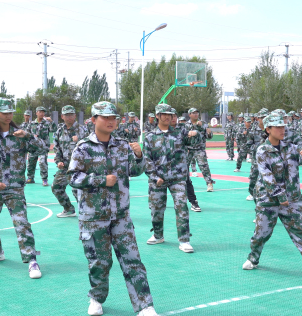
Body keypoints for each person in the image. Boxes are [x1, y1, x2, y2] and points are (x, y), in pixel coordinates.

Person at [68, 101, 157, 316]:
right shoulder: (83, 147)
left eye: (113, 117)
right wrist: (100, 180)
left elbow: (136, 171)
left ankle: (145, 305)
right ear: (93, 120)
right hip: (93, 216)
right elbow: (73, 177)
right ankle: (96, 299)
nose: (110, 121)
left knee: (132, 260)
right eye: (105, 117)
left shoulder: (123, 145)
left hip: (120, 215)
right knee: (99, 262)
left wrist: (139, 156)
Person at [242, 114, 302, 286]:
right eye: (277, 127)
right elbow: (267, 177)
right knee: (261, 234)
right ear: (268, 129)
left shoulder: (290, 148)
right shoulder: (262, 150)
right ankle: (253, 258)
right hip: (268, 199)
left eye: (283, 127)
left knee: (300, 234)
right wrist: (280, 196)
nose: (282, 130)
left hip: (290, 201)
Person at [0, 98, 45, 279]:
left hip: (14, 188)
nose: (8, 116)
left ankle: (32, 260)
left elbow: (43, 148)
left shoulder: (20, 134)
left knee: (22, 223)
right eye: (4, 113)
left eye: (10, 113)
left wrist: (29, 136)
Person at [144, 104, 198, 252]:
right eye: (164, 114)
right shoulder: (149, 136)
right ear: (157, 116)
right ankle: (158, 235)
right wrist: (155, 177)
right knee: (156, 209)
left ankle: (184, 240)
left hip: (178, 178)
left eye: (170, 114)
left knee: (181, 207)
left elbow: (195, 142)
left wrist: (197, 133)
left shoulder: (180, 132)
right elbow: (147, 160)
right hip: (158, 179)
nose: (167, 117)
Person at [51, 105, 88, 218]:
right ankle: (68, 209)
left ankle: (86, 211)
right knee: (56, 187)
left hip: (79, 166)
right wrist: (58, 161)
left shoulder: (83, 130)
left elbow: (90, 147)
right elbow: (56, 148)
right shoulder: (59, 131)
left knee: (77, 190)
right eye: (67, 115)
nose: (69, 117)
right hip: (65, 166)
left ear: (75, 116)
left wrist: (80, 141)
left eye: (71, 114)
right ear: (62, 116)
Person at [185, 108, 215, 192]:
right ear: (189, 115)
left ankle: (209, 183)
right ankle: (184, 183)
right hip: (188, 149)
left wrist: (209, 133)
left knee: (204, 167)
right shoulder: (186, 125)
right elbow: (182, 136)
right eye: (193, 113)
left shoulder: (204, 124)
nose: (195, 114)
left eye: (197, 113)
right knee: (184, 167)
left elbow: (209, 137)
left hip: (199, 149)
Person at [27, 106, 57, 186]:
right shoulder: (32, 123)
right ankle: (30, 178)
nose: (41, 113)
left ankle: (44, 179)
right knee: (31, 162)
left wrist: (51, 121)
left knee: (42, 162)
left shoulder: (47, 123)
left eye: (43, 112)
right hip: (33, 147)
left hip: (43, 147)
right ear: (36, 113)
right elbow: (27, 133)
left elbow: (54, 129)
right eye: (40, 112)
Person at [245, 109, 268, 201]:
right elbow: (249, 143)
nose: (263, 119)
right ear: (258, 118)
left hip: (270, 158)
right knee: (254, 176)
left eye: (265, 117)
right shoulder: (254, 129)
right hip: (256, 157)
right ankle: (252, 193)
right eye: (262, 117)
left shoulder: (271, 128)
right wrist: (255, 149)